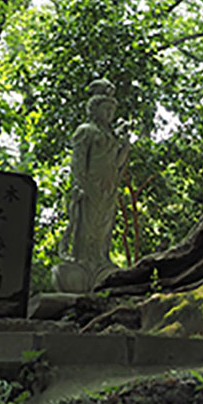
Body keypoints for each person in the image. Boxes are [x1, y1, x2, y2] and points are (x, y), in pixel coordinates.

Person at [52, 78, 131, 292]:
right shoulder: (85, 131)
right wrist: (79, 186)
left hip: (107, 188)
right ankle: (83, 262)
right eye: (105, 110)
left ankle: (101, 261)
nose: (109, 115)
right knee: (85, 225)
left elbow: (117, 164)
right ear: (94, 110)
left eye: (111, 111)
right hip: (89, 188)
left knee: (104, 227)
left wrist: (124, 143)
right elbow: (78, 163)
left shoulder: (111, 136)